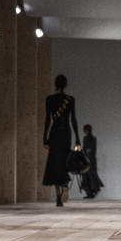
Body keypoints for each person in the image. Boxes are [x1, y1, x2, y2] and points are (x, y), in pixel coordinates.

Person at [42, 74, 79, 206]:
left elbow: (48, 119)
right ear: (66, 84)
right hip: (66, 134)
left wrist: (44, 138)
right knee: (64, 162)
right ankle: (64, 186)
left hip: (55, 133)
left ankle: (58, 194)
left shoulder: (50, 99)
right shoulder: (70, 99)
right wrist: (78, 139)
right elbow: (73, 119)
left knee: (54, 163)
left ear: (55, 84)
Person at [79, 124, 104, 199]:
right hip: (86, 159)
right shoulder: (85, 138)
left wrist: (87, 152)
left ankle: (95, 190)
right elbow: (84, 148)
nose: (84, 131)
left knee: (92, 175)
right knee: (85, 176)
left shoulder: (93, 139)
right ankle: (89, 193)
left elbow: (92, 149)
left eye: (85, 130)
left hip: (91, 160)